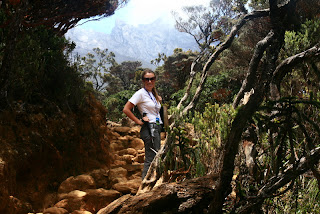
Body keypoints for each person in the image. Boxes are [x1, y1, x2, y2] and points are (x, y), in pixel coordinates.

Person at [123, 69, 163, 179]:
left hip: (156, 127)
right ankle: (145, 184)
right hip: (149, 128)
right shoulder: (140, 93)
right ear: (143, 80)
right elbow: (126, 109)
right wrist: (139, 122)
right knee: (151, 157)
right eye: (147, 79)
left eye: (152, 79)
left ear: (155, 80)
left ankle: (153, 180)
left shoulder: (153, 93)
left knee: (156, 155)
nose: (149, 81)